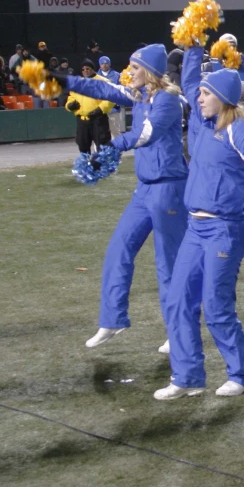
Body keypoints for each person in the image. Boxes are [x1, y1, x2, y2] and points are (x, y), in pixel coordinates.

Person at [49, 44, 189, 349]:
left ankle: (178, 332)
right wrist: (61, 79)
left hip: (170, 190)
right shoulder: (136, 95)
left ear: (150, 71)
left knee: (168, 264)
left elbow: (145, 134)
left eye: (136, 67)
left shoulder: (168, 99)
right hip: (144, 189)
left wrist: (112, 146)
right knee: (118, 249)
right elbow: (100, 87)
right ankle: (112, 320)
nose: (130, 72)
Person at [154, 48, 244, 400]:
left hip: (225, 229)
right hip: (195, 228)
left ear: (222, 98)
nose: (198, 97)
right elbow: (190, 80)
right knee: (178, 300)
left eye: (206, 94)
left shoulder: (239, 131)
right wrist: (192, 45)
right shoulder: (199, 122)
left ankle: (242, 374)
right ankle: (188, 375)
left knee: (216, 305)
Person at [65, 60, 114, 153]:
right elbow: (71, 97)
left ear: (92, 69)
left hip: (98, 120)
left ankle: (102, 166)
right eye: (83, 69)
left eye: (88, 68)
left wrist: (100, 109)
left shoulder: (103, 81)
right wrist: (70, 105)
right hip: (82, 121)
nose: (85, 71)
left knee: (103, 147)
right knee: (82, 146)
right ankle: (85, 166)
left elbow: (110, 98)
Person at [97, 56, 125, 137]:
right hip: (99, 110)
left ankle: (116, 149)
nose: (104, 65)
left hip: (113, 109)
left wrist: (117, 103)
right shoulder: (95, 76)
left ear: (109, 64)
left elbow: (121, 91)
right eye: (102, 63)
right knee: (99, 133)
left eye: (106, 63)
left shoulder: (117, 76)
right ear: (100, 65)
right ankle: (99, 150)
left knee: (115, 132)